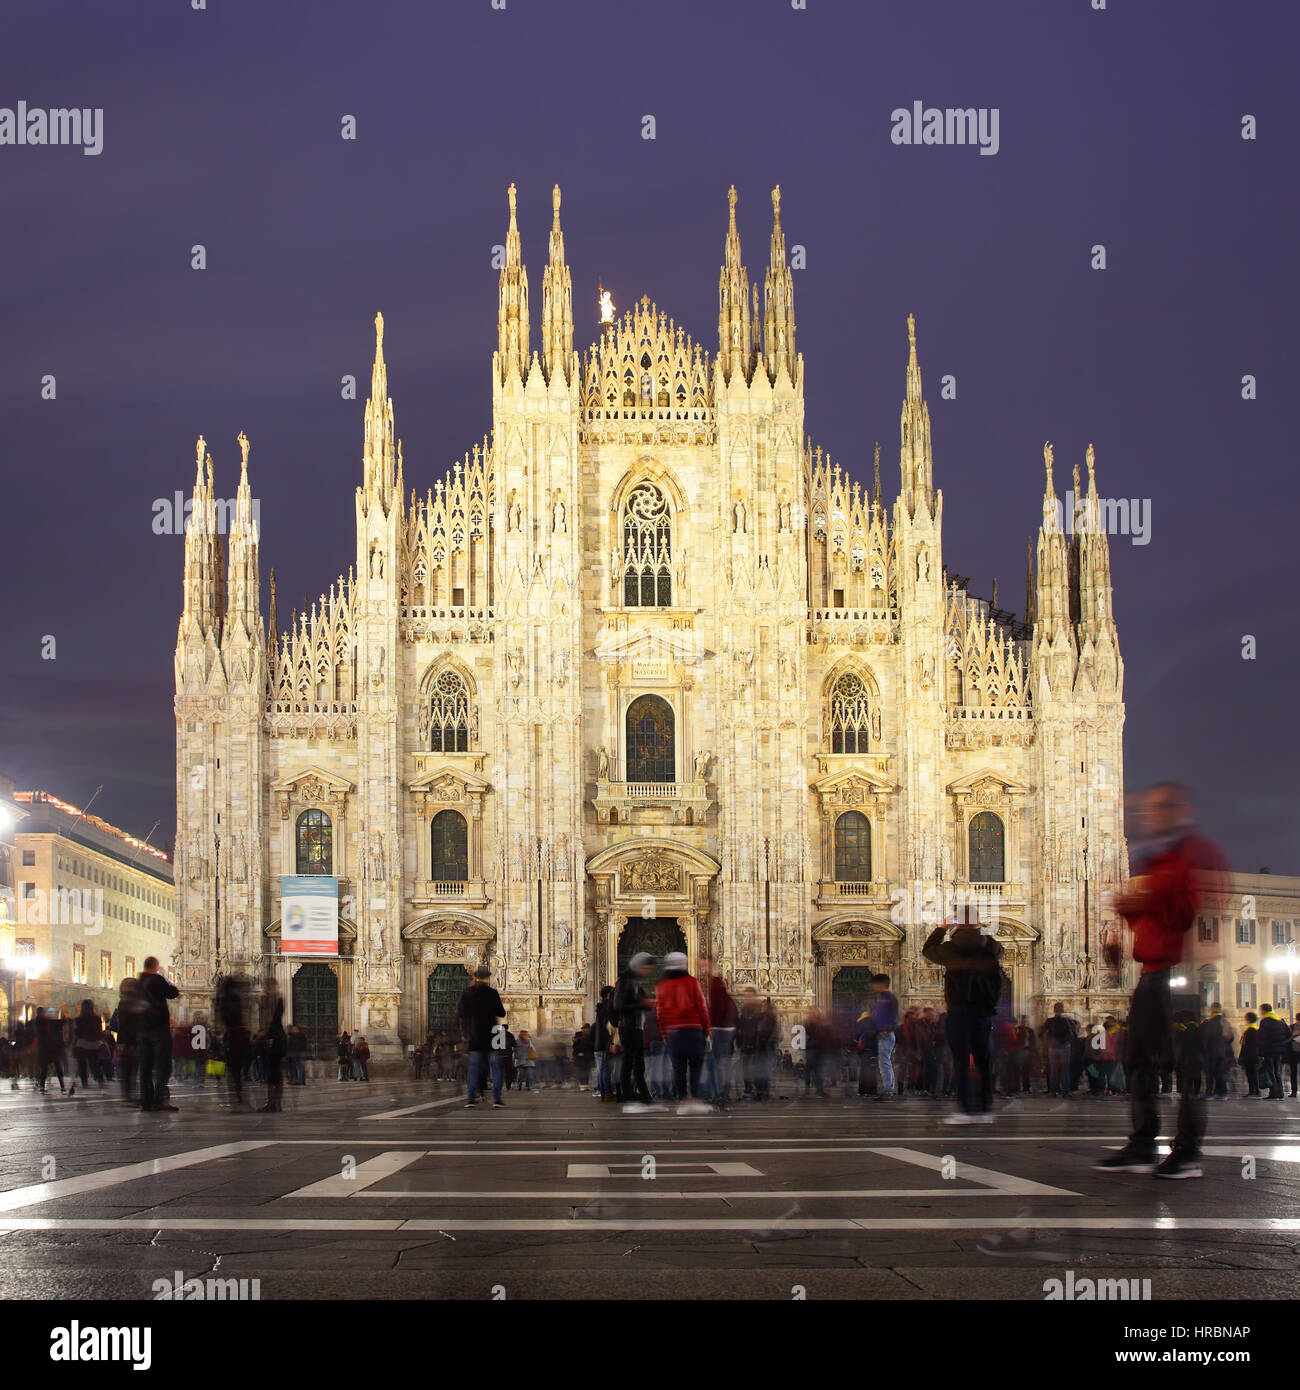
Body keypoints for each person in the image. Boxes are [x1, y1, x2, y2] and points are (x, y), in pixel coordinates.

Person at [1096, 782, 1228, 1178]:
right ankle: (1142, 1143)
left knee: (1187, 1064)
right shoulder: (1157, 860)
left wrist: (1147, 901)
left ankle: (1188, 1152)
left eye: (1159, 808)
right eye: (1148, 809)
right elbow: (1150, 915)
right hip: (1151, 972)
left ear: (1179, 808)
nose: (1150, 816)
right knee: (1136, 1057)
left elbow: (1201, 907)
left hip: (1181, 972)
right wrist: (1128, 916)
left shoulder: (1198, 854)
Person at [922, 918, 1004, 1123]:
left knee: (960, 1062)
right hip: (984, 1012)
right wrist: (981, 930)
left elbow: (928, 949)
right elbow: (999, 949)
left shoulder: (951, 950)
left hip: (959, 1011)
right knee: (983, 1061)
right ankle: (985, 1109)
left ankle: (966, 1109)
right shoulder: (989, 950)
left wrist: (941, 928)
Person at [655, 952, 711, 1113]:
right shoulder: (692, 982)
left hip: (674, 1032)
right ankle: (695, 1097)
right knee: (696, 1065)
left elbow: (660, 1012)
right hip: (693, 1030)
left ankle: (682, 1100)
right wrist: (706, 1029)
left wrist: (664, 1034)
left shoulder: (661, 985)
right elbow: (702, 1007)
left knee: (678, 1068)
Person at [458, 965, 507, 1108]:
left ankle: (471, 1099)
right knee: (495, 1068)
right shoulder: (492, 993)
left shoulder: (468, 993)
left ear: (476, 977)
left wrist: (464, 1033)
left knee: (473, 1068)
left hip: (474, 1036)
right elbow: (501, 1013)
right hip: (492, 1035)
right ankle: (497, 1099)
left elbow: (461, 1014)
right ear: (487, 978)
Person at [612, 953, 656, 1108]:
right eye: (646, 967)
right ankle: (628, 1095)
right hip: (629, 1027)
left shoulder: (634, 981)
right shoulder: (625, 981)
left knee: (638, 1064)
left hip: (636, 1027)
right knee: (629, 1062)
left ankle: (642, 1095)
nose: (648, 971)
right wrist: (642, 1004)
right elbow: (619, 1005)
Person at [138, 956, 180, 1113]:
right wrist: (166, 979)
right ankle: (160, 1100)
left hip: (142, 1029)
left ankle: (145, 1101)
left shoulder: (139, 982)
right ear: (155, 966)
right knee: (163, 1066)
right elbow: (173, 993)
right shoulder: (156, 980)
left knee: (145, 1066)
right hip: (158, 1028)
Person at [701, 960, 738, 1106]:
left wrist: (711, 1027)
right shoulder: (717, 987)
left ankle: (719, 1093)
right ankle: (718, 1093)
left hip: (720, 1030)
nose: (702, 969)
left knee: (719, 1063)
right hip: (722, 1029)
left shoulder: (716, 985)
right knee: (718, 1063)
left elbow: (718, 1009)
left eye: (704, 967)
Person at [1256, 1003, 1291, 1101]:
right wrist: (1282, 1043)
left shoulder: (1265, 1021)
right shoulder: (1280, 1020)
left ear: (1263, 1011)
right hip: (1279, 1051)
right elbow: (1289, 1034)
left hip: (1269, 1050)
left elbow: (1262, 1038)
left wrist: (1260, 1053)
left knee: (1271, 1072)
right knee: (1278, 1072)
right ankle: (1280, 1093)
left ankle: (1273, 1093)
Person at [1199, 1005, 1233, 1100]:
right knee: (1221, 1074)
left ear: (1212, 1010)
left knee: (1210, 1074)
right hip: (1222, 1052)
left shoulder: (1209, 1023)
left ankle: (1209, 1093)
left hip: (1210, 1053)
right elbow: (1230, 1037)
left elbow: (1205, 1039)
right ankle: (1222, 1093)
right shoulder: (1225, 1022)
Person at [1042, 1003, 1076, 1097]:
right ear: (1062, 1010)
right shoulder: (1067, 1021)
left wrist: (1047, 1044)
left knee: (1053, 1071)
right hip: (1064, 1047)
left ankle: (1053, 1091)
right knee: (1065, 1070)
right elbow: (1072, 1034)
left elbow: (1042, 1034)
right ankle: (1065, 1091)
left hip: (1053, 1048)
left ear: (1054, 1010)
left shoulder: (1049, 1021)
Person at [72, 999, 104, 1091]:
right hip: (94, 1044)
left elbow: (77, 1033)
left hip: (82, 1044)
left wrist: (74, 1043)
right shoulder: (97, 1018)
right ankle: (100, 1079)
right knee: (93, 1064)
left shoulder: (78, 1019)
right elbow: (99, 1032)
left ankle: (84, 1083)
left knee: (82, 1064)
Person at [262, 998, 287, 1112]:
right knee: (276, 1079)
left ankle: (272, 1103)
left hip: (274, 1056)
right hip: (277, 1055)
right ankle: (276, 1103)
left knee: (273, 1079)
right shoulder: (279, 1028)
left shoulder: (274, 1027)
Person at [35, 1008, 67, 1094]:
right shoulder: (45, 1021)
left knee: (45, 1068)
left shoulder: (40, 1022)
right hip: (51, 1048)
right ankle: (62, 1086)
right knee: (56, 1066)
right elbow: (61, 1022)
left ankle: (42, 1086)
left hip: (45, 1048)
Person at [592, 986, 615, 1100]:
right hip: (605, 1043)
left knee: (601, 1070)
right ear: (609, 995)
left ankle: (603, 1092)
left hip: (598, 1044)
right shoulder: (608, 1008)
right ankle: (607, 1092)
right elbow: (609, 1027)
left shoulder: (600, 1008)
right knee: (606, 1069)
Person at [1238, 1012, 1261, 1096]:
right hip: (1253, 1055)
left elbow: (1246, 1044)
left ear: (1249, 1020)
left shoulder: (1250, 1030)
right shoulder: (1255, 1029)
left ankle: (1253, 1090)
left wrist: (1243, 1055)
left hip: (1250, 1055)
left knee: (1251, 1073)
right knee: (1253, 1073)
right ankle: (1255, 1090)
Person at [572, 1023, 594, 1091]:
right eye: (585, 1029)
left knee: (587, 1070)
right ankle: (582, 1085)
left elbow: (592, 1045)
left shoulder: (591, 1035)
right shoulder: (578, 1035)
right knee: (581, 1070)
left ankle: (586, 1085)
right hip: (579, 1055)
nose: (586, 1030)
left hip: (588, 1055)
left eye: (587, 1029)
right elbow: (574, 1045)